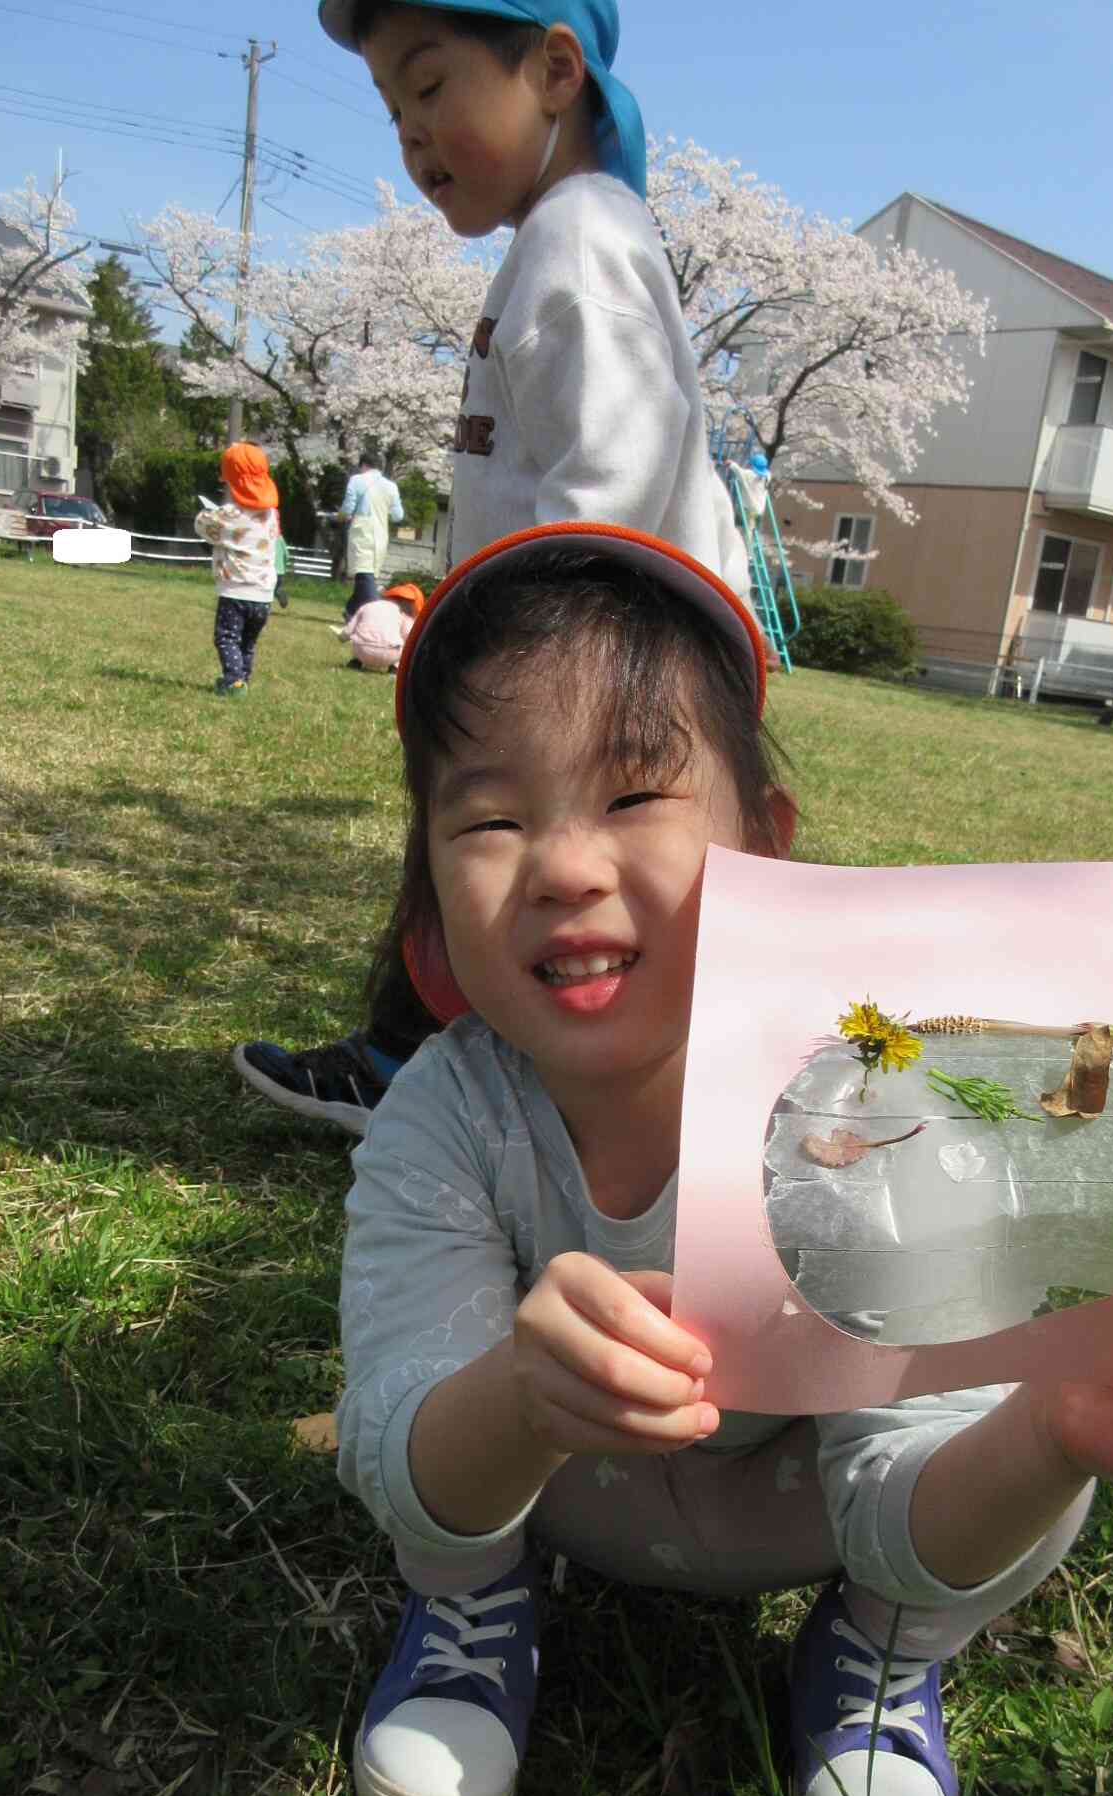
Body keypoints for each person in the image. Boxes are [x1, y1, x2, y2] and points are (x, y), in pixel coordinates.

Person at [335, 522, 1113, 1796]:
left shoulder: (868, 1101)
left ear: (766, 856)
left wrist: (1048, 1442)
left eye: (629, 798)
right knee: (444, 1504)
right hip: (560, 1498)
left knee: (1034, 1460)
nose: (560, 865)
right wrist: (518, 1397)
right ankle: (469, 1615)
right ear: (428, 901)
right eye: (490, 819)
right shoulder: (449, 1112)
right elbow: (392, 1448)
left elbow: (904, 1480)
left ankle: (876, 1659)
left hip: (818, 1517)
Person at [233, 0, 754, 1134]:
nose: (412, 136)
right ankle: (446, 1070)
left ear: (557, 70)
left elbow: (616, 450)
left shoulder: (580, 240)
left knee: (508, 865)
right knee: (482, 862)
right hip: (575, 657)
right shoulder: (558, 237)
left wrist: (533, 649)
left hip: (593, 664)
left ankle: (421, 1068)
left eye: (429, 88)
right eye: (391, 112)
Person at [195, 443, 281, 697]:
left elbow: (202, 525)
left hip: (236, 591)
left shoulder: (229, 516)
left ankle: (233, 681)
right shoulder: (271, 515)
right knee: (247, 642)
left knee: (226, 638)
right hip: (264, 594)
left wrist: (207, 511)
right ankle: (243, 678)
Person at [341, 449, 406, 618]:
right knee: (367, 575)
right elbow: (398, 516)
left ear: (363, 465)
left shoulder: (356, 480)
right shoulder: (391, 486)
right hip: (381, 533)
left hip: (362, 530)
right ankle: (350, 611)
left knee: (364, 574)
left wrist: (341, 516)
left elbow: (347, 509)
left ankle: (372, 613)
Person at [331, 581, 425, 671]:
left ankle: (356, 662)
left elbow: (349, 630)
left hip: (362, 650)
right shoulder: (401, 615)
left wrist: (342, 637)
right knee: (401, 644)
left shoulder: (367, 606)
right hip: (390, 654)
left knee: (360, 638)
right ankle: (394, 667)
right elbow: (409, 636)